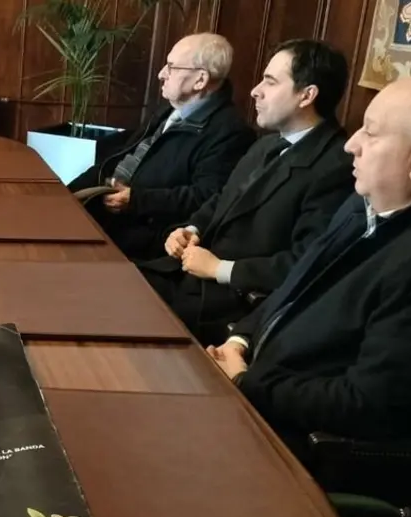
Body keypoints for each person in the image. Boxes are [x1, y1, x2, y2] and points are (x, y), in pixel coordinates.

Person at [208, 74, 411, 468]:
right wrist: (240, 342)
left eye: (370, 133)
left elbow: (369, 403)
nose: (351, 145)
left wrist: (246, 382)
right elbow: (291, 292)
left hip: (307, 456)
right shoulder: (363, 206)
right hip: (258, 405)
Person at [140, 39, 354, 345]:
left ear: (307, 95)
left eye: (270, 81)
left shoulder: (335, 167)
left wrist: (220, 269)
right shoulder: (267, 143)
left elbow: (307, 262)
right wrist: (189, 229)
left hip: (229, 304)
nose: (255, 90)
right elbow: (222, 199)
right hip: (184, 275)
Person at [68, 33, 254, 262]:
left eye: (172, 67)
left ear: (200, 80)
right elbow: (118, 158)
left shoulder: (230, 133)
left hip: (140, 234)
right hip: (103, 207)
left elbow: (205, 197)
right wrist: (64, 194)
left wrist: (136, 200)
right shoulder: (169, 109)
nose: (161, 74)